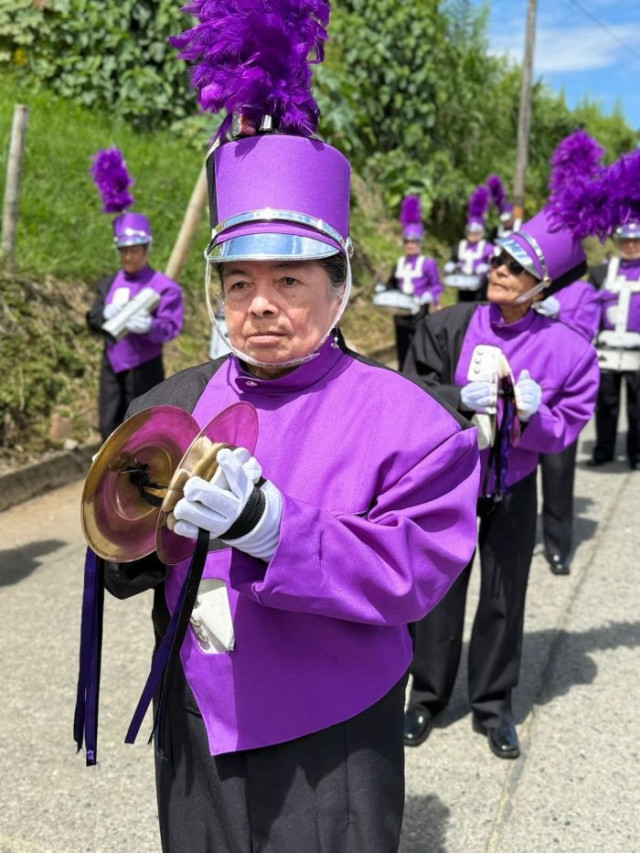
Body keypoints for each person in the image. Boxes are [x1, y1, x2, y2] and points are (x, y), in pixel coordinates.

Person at [79, 5, 481, 851]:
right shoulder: (180, 396)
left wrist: (273, 529)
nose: (260, 303)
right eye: (238, 282)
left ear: (338, 291)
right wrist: (131, 523)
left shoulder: (414, 422)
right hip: (195, 711)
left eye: (290, 280)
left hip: (328, 730)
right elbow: (124, 563)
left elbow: (415, 573)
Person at [403, 198, 601, 760]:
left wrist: (534, 417)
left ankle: (493, 705)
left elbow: (566, 429)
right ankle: (429, 695)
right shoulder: (448, 324)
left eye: (515, 268)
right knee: (439, 591)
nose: (498, 270)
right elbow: (410, 391)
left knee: (503, 593)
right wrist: (452, 401)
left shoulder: (572, 352)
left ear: (541, 288)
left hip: (514, 484)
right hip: (453, 481)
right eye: (498, 259)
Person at [86, 149, 183, 440]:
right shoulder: (107, 283)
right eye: (124, 251)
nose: (129, 256)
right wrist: (106, 315)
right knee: (109, 427)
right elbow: (91, 318)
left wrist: (149, 326)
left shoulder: (164, 287)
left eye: (135, 250)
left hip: (145, 367)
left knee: (141, 430)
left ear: (146, 250)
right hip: (112, 365)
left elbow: (171, 327)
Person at [534, 279, 600, 574]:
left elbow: (586, 335)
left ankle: (558, 545)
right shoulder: (526, 284)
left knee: (557, 474)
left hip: (558, 398)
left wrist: (560, 315)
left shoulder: (582, 292)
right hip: (522, 388)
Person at [588, 220, 640, 469]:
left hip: (638, 352)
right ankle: (604, 450)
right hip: (607, 350)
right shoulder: (601, 272)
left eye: (636, 241)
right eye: (626, 241)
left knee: (638, 407)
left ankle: (637, 455)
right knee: (606, 404)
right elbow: (588, 309)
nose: (630, 246)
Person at [381, 194, 443, 366]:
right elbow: (391, 284)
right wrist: (383, 290)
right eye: (407, 242)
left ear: (420, 243)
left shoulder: (428, 263)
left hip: (419, 313)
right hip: (401, 313)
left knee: (418, 349)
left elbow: (436, 285)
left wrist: (428, 297)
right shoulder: (399, 263)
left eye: (414, 242)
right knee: (402, 349)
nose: (410, 245)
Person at [443, 184, 495, 303]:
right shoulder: (460, 246)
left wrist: (487, 268)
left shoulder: (487, 248)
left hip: (480, 289)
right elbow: (454, 260)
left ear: (481, 233)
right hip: (462, 285)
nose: (472, 235)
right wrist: (451, 265)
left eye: (476, 233)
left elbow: (495, 265)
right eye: (470, 232)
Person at [487, 174, 521, 240]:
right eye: (504, 221)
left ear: (513, 216)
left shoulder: (522, 228)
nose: (506, 223)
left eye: (508, 220)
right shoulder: (495, 233)